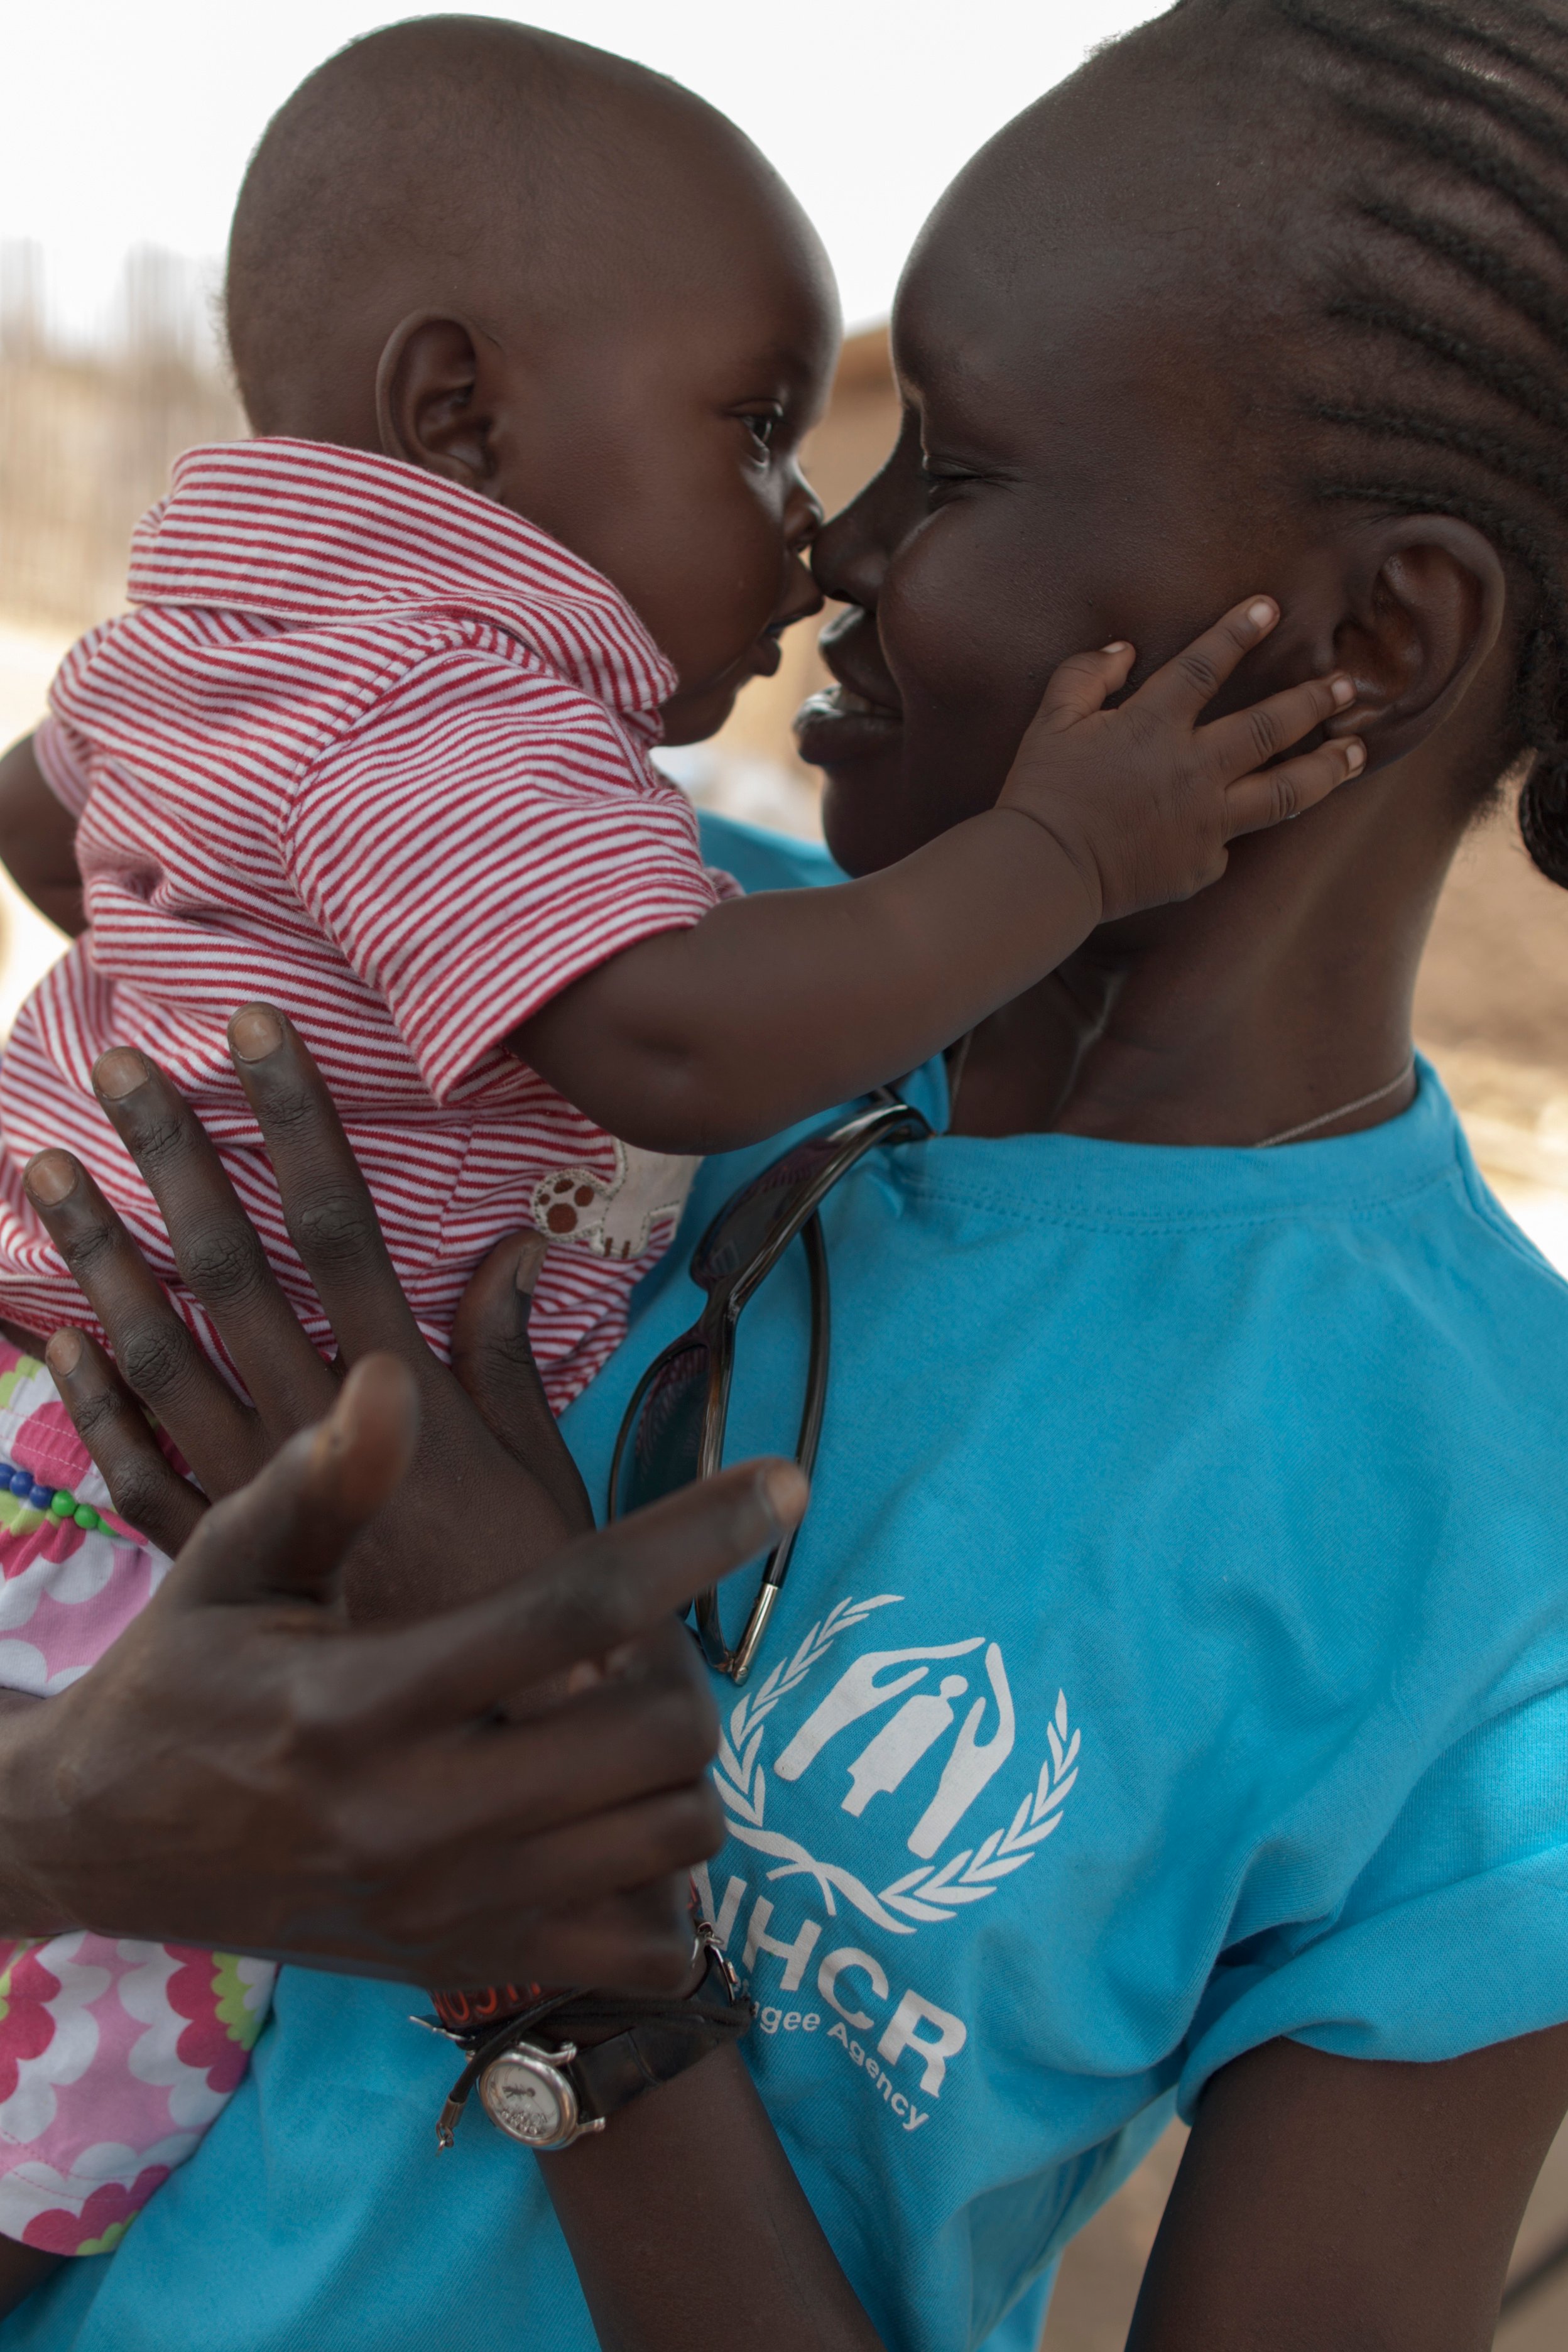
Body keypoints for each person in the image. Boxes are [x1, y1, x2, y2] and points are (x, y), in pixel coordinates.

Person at [9, 0, 1568, 2344]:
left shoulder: (1488, 1563)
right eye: (809, 442)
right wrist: (73, 1815)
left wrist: (564, 1946)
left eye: (954, 461)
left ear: (1372, 636)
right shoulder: (547, 970)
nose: (831, 543)